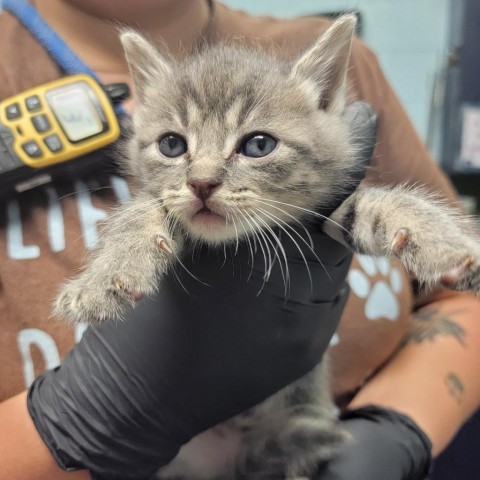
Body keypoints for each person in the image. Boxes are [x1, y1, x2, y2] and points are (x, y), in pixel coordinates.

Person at [0, 1, 479, 479]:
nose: (203, 176)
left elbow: (455, 293)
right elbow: (152, 208)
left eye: (256, 144)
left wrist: (398, 429)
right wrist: (70, 422)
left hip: (299, 449)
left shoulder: (340, 63)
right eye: (174, 145)